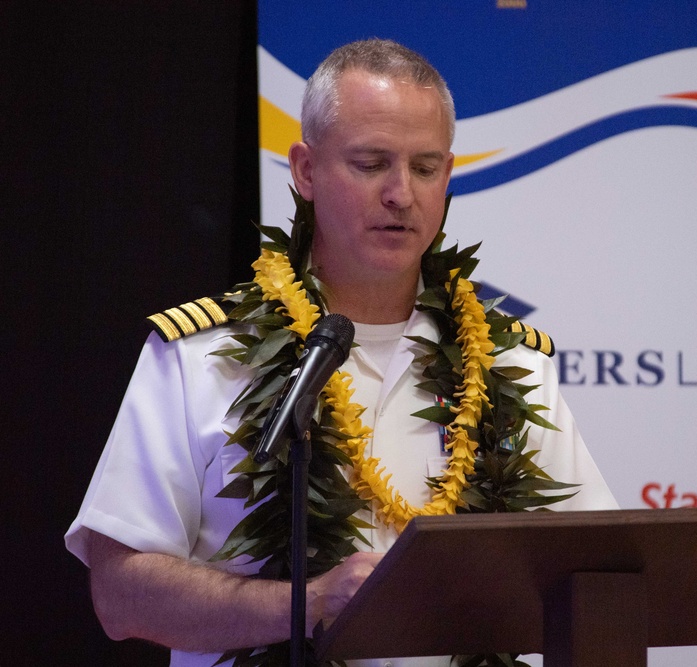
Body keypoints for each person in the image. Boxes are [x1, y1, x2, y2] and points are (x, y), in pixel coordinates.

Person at [65, 39, 617, 667]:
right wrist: (310, 602)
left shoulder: (509, 362)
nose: (401, 194)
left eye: (426, 167)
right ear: (304, 171)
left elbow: (597, 575)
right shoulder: (203, 356)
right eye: (371, 163)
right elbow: (120, 596)